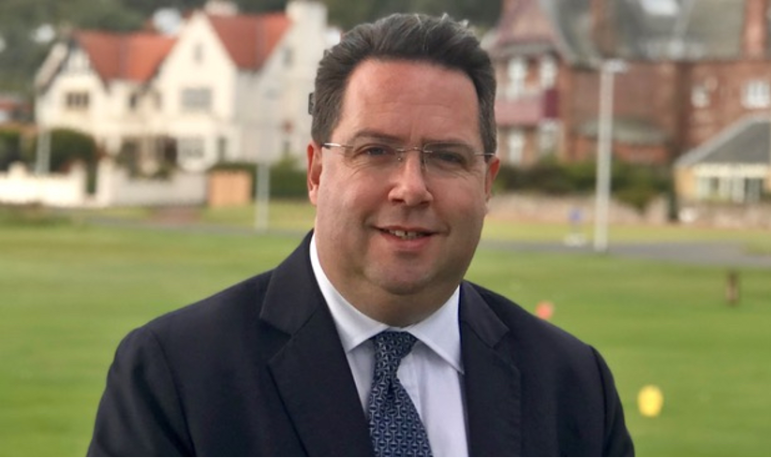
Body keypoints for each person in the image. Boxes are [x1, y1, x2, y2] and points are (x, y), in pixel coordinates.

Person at [87, 13, 634, 458]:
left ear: (486, 183)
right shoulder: (177, 376)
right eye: (376, 151)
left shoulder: (572, 387)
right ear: (317, 173)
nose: (412, 188)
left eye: (447, 157)